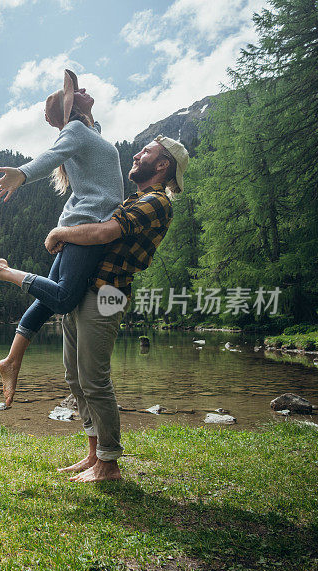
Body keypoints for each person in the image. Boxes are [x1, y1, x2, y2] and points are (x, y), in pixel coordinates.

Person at [0, 69, 124, 409]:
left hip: (83, 223)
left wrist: (79, 109)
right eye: (76, 92)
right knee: (64, 299)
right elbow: (51, 156)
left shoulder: (90, 131)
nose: (83, 90)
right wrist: (22, 174)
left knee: (51, 298)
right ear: (70, 110)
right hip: (87, 226)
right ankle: (3, 271)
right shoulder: (76, 130)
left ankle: (11, 361)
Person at [44, 135, 188, 482]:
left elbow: (107, 231)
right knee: (75, 378)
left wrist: (61, 232)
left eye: (147, 152)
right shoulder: (135, 197)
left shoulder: (157, 201)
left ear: (162, 165)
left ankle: (108, 464)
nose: (137, 155)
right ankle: (94, 453)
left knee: (94, 379)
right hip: (87, 291)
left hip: (109, 295)